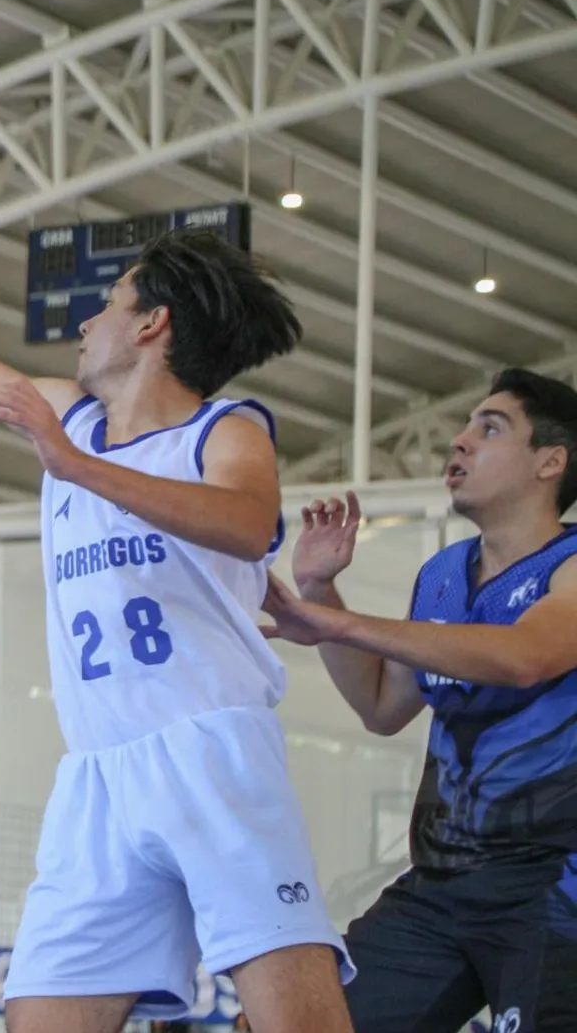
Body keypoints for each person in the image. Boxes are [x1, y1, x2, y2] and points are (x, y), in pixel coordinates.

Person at [0, 180, 350, 1033]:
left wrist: (74, 467)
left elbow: (250, 524)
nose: (85, 323)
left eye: (107, 304)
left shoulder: (222, 430)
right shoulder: (72, 419)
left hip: (209, 751)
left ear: (152, 325)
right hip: (97, 773)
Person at [261, 369, 577, 1032]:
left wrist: (339, 623)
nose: (460, 440)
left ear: (551, 461)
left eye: (490, 428)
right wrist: (320, 593)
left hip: (553, 888)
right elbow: (381, 706)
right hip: (440, 885)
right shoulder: (442, 576)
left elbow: (526, 657)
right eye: (465, 424)